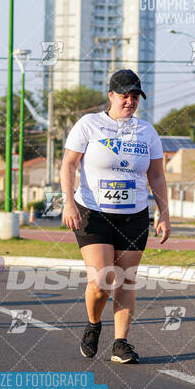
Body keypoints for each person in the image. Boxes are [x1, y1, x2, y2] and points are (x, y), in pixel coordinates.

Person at [60, 69, 170, 364]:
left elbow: (157, 176)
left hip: (133, 215)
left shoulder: (147, 132)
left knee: (125, 280)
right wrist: (68, 203)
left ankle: (121, 343)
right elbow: (69, 165)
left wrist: (164, 214)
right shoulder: (89, 124)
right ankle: (94, 325)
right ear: (111, 95)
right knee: (103, 278)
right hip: (92, 212)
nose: (130, 101)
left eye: (135, 97)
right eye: (125, 96)